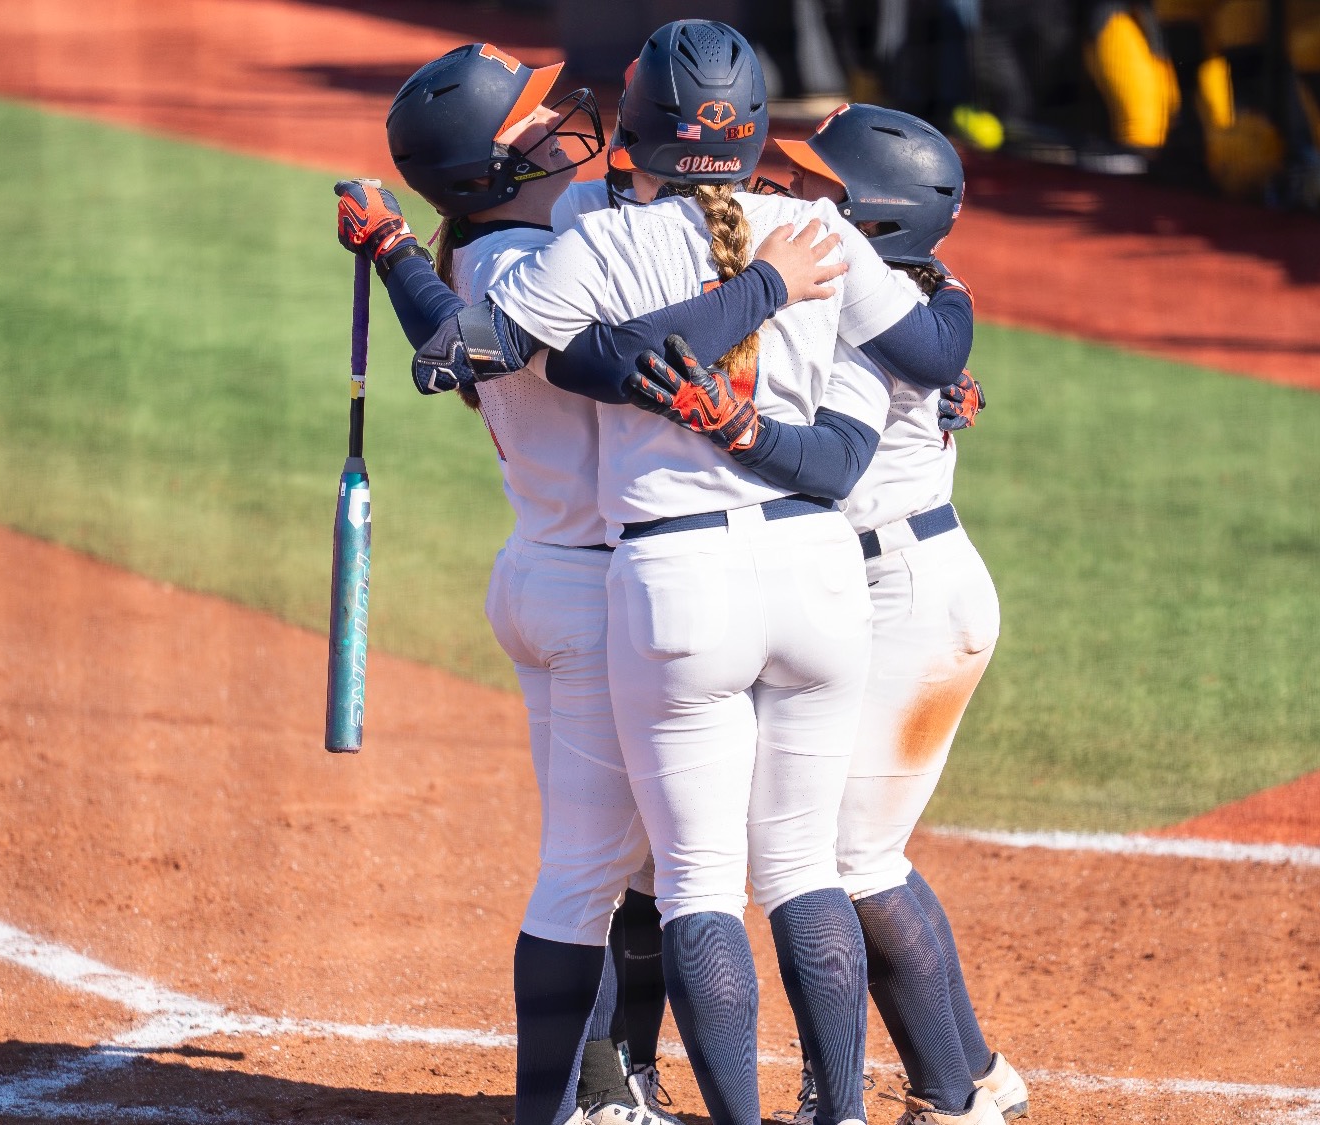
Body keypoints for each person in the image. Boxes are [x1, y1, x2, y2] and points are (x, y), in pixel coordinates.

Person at [341, 41, 848, 1125]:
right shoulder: (536, 266)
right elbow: (527, 344)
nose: (560, 118)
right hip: (601, 588)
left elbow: (447, 323)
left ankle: (606, 1088)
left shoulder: (501, 247)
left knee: (641, 871)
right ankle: (577, 1101)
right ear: (488, 169)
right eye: (531, 123)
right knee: (624, 871)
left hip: (548, 571)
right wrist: (766, 281)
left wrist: (390, 245)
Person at [772, 104, 1027, 1125]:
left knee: (845, 859)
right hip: (875, 587)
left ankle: (951, 1097)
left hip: (911, 597)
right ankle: (976, 1075)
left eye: (812, 184)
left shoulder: (902, 307)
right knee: (850, 852)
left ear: (868, 216)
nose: (786, 192)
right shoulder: (867, 293)